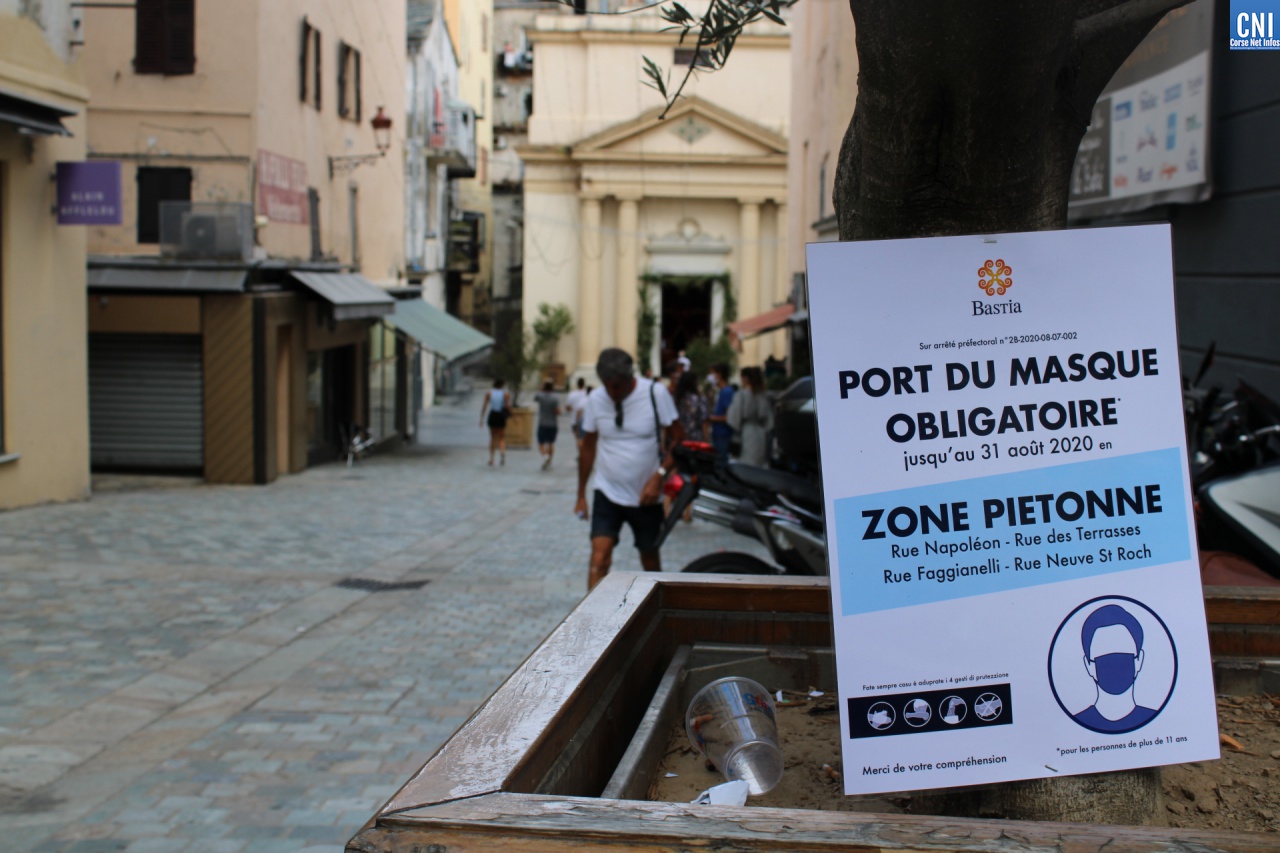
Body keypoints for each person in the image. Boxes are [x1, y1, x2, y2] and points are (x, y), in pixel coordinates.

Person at [575, 348, 685, 590]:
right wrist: (581, 494)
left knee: (650, 560)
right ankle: (592, 614)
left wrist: (659, 476)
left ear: (630, 378)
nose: (612, 392)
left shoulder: (655, 394)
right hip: (607, 491)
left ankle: (656, 609)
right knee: (599, 560)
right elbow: (588, 448)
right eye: (607, 386)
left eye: (617, 386)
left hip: (646, 497)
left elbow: (679, 439)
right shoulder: (596, 400)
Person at [1072, 604, 1158, 733]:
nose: (1114, 668)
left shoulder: (1156, 719)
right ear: (1088, 665)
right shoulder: (1076, 723)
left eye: (1123, 657)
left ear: (1139, 660)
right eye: (1104, 660)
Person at [726, 366, 773, 466]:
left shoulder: (741, 395)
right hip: (761, 433)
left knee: (747, 462)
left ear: (745, 378)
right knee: (759, 462)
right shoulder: (763, 395)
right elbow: (769, 420)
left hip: (746, 432)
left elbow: (733, 418)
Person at [705, 362, 735, 463]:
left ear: (720, 374)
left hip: (723, 434)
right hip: (717, 433)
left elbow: (728, 416)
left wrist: (710, 418)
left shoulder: (727, 392)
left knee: (721, 462)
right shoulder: (721, 391)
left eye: (712, 373)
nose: (711, 376)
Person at [479, 379, 511, 466]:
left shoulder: (489, 393)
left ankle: (492, 459)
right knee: (501, 437)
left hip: (493, 415)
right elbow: (507, 406)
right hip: (501, 415)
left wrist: (482, 418)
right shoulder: (505, 394)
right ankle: (502, 451)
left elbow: (485, 406)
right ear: (502, 386)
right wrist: (511, 415)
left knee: (493, 437)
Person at [533, 380, 561, 470]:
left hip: (543, 423)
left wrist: (541, 389)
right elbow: (558, 411)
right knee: (551, 443)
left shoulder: (540, 396)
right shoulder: (555, 398)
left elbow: (535, 398)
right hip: (553, 423)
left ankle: (545, 456)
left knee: (541, 442)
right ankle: (550, 460)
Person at [675, 370, 708, 441]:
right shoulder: (700, 399)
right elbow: (704, 421)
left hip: (679, 438)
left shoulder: (677, 399)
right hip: (696, 438)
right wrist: (706, 439)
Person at [565, 377, 588, 457]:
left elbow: (567, 407)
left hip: (574, 420)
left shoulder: (572, 394)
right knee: (585, 439)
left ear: (577, 384)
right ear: (584, 384)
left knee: (578, 438)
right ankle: (583, 453)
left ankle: (581, 453)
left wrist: (573, 410)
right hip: (586, 419)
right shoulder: (586, 394)